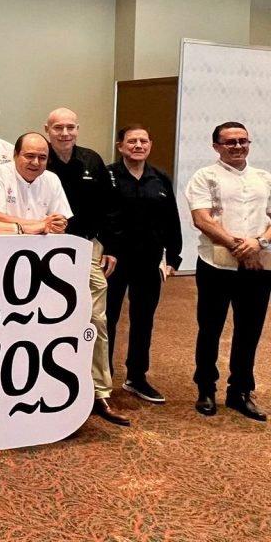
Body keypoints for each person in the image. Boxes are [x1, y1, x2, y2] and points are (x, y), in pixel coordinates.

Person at [44, 107, 128, 427]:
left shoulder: (92, 160)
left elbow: (111, 208)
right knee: (48, 320)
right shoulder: (39, 159)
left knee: (96, 319)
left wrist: (111, 247)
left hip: (88, 247)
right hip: (46, 250)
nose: (65, 133)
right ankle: (50, 386)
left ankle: (100, 390)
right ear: (47, 129)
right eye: (58, 128)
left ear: (77, 129)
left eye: (70, 127)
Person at [186, 121, 271, 420]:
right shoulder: (204, 177)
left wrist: (259, 243)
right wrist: (241, 247)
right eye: (230, 142)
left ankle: (240, 392)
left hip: (259, 266)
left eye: (242, 141)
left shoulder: (264, 178)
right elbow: (202, 219)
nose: (237, 146)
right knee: (210, 328)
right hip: (216, 265)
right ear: (216, 146)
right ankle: (206, 389)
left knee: (250, 330)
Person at [106, 125, 182, 405]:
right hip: (113, 261)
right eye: (132, 141)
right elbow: (100, 216)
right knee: (107, 319)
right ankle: (102, 378)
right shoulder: (108, 175)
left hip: (149, 260)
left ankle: (136, 377)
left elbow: (171, 219)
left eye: (143, 141)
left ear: (150, 145)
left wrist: (173, 257)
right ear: (120, 146)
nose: (138, 145)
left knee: (143, 319)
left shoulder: (160, 178)